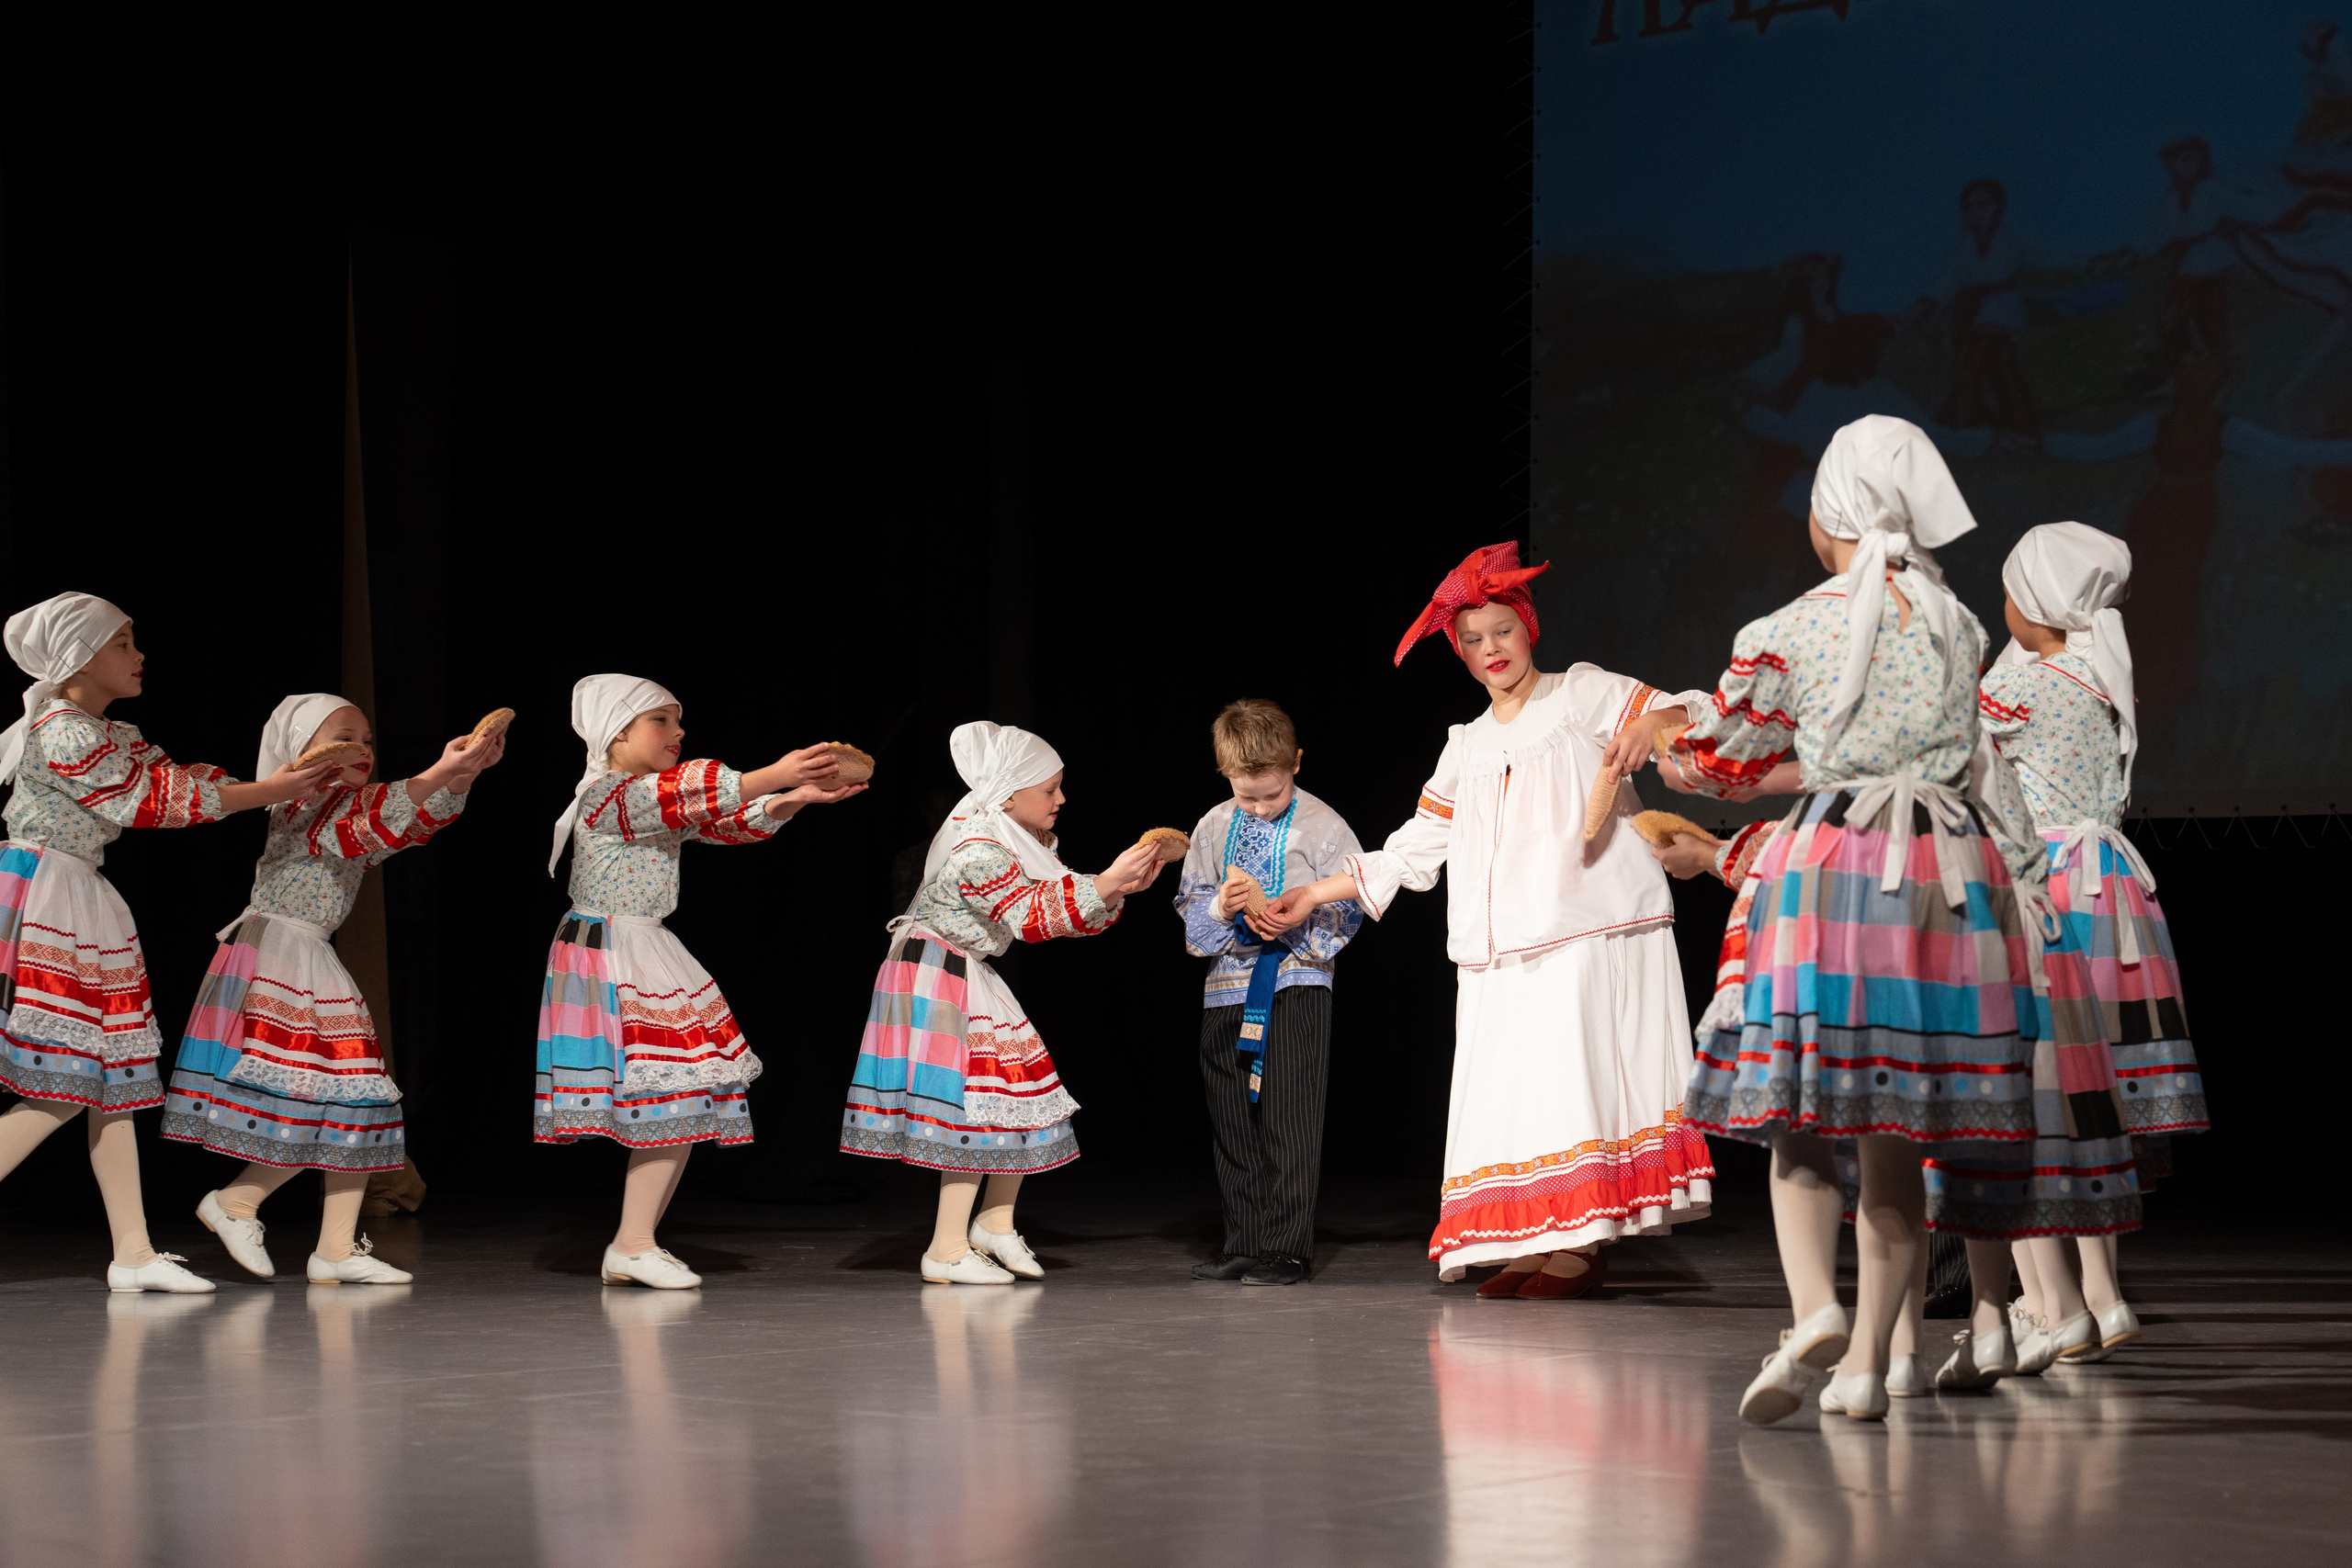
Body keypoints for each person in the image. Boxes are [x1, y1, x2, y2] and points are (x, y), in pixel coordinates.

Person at [1664, 415, 2052, 1422]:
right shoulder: (1959, 622)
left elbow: (1728, 759)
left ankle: (1812, 1311)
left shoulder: (1793, 626)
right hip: (1941, 868)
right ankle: (1869, 1369)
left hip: (1835, 861)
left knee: (1802, 1109)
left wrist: (1680, 745)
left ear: (1828, 511)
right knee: (1897, 1127)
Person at [1257, 543, 1714, 1297]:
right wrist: (1315, 893)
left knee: (1573, 1087)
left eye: (1500, 630)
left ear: (1527, 628)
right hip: (1499, 951)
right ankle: (1539, 1240)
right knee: (1517, 1097)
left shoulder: (1579, 695)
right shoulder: (1465, 745)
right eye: (1471, 640)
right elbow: (1417, 844)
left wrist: (1656, 721)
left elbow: (1696, 711)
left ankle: (1578, 1247)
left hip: (1582, 931)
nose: (1488, 649)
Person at [0, 593, 336, 1292]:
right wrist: (272, 788)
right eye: (123, 642)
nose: (139, 654)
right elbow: (147, 803)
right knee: (69, 1081)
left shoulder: (108, 732)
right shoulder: (63, 730)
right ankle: (132, 1250)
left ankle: (132, 1251)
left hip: (80, 893)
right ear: (80, 656)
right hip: (47, 892)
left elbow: (178, 783)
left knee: (111, 1083)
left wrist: (275, 786)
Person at [164, 694, 503, 1284]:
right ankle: (240, 1201)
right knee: (331, 1094)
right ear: (303, 755)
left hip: (307, 954)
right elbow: (376, 816)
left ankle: (335, 1247)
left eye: (367, 740)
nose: (361, 750)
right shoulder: (306, 803)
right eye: (343, 739)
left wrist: (460, 775)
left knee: (359, 1097)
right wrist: (440, 772)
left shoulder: (348, 807)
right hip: (280, 954)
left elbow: (405, 824)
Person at [537, 674, 862, 1289]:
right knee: (677, 1091)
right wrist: (777, 772)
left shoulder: (650, 800)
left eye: (678, 722)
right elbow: (695, 791)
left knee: (684, 1094)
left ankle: (634, 1242)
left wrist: (792, 796)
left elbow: (719, 819)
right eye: (662, 720)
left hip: (641, 946)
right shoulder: (610, 794)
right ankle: (632, 1242)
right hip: (612, 950)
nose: (678, 732)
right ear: (617, 732)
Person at [1976, 522, 2203, 1370]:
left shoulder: (2025, 689)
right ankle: (2103, 1296)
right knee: (2091, 1101)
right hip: (2114, 893)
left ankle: (2045, 1302)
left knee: (2041, 1097)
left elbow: (1954, 741)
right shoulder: (2101, 675)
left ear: (2036, 604)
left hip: (2053, 887)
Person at [841, 720, 1166, 1285]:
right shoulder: (979, 849)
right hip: (938, 971)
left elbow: (1057, 910)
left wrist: (1117, 886)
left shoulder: (1013, 840)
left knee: (1013, 1091)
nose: (1061, 799)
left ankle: (993, 1223)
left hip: (962, 968)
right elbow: (1033, 917)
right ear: (1010, 793)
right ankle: (944, 1248)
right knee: (973, 1105)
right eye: (1050, 789)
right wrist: (1109, 879)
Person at [1171, 699, 1363, 1286]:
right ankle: (1245, 1241)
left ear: (1296, 764)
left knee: (1289, 1116)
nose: (1257, 807)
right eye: (1245, 795)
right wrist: (1218, 906)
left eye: (1270, 795)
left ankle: (1286, 1249)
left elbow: (1354, 900)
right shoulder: (1212, 826)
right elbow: (1190, 908)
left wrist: (1297, 923)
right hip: (1225, 990)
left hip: (1295, 984)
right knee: (1231, 1115)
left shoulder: (1325, 827)